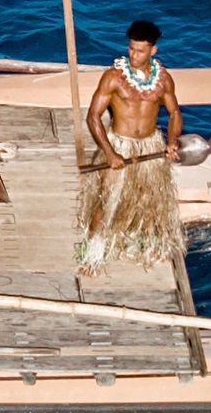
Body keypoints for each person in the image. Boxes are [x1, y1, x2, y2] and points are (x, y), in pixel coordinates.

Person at [79, 16, 187, 265]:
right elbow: (93, 116)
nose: (133, 54)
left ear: (153, 50)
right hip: (120, 144)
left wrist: (172, 141)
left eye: (140, 50)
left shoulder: (163, 79)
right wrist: (109, 153)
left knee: (148, 200)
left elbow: (174, 113)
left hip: (151, 145)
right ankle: (93, 254)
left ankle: (140, 244)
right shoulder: (113, 77)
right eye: (131, 48)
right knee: (108, 198)